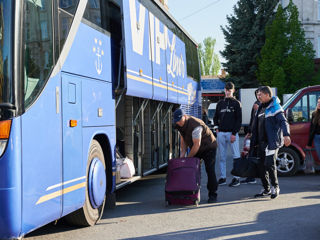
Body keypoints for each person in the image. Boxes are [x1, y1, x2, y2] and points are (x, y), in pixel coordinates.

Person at [250, 86, 291, 199]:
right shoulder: (260, 108)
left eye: (260, 95)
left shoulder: (275, 107)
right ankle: (266, 189)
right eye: (257, 94)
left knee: (269, 165)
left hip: (271, 142)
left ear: (268, 95)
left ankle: (275, 187)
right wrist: (251, 136)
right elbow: (256, 125)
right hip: (261, 143)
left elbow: (283, 121)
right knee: (261, 166)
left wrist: (286, 135)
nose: (258, 97)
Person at [173, 108, 218, 203]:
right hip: (197, 147)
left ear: (185, 116)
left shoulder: (196, 125)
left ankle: (213, 194)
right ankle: (191, 193)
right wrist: (182, 155)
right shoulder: (179, 124)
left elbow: (197, 144)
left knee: (210, 170)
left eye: (180, 121)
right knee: (191, 170)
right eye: (177, 121)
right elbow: (183, 140)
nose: (178, 123)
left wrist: (188, 159)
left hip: (208, 147)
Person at [213, 82, 242, 187]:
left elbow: (239, 120)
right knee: (222, 156)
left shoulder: (237, 103)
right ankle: (222, 178)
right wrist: (216, 128)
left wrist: (234, 133)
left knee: (236, 156)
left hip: (232, 134)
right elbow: (215, 117)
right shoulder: (220, 103)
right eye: (226, 90)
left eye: (229, 90)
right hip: (221, 133)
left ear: (233, 91)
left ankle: (236, 178)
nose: (227, 92)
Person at [241, 89, 260, 184]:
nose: (258, 95)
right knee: (250, 155)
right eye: (257, 94)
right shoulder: (255, 104)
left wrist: (259, 109)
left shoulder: (264, 105)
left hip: (260, 136)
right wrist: (248, 132)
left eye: (260, 93)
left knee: (257, 156)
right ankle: (251, 177)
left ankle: (255, 177)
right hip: (253, 134)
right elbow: (252, 119)